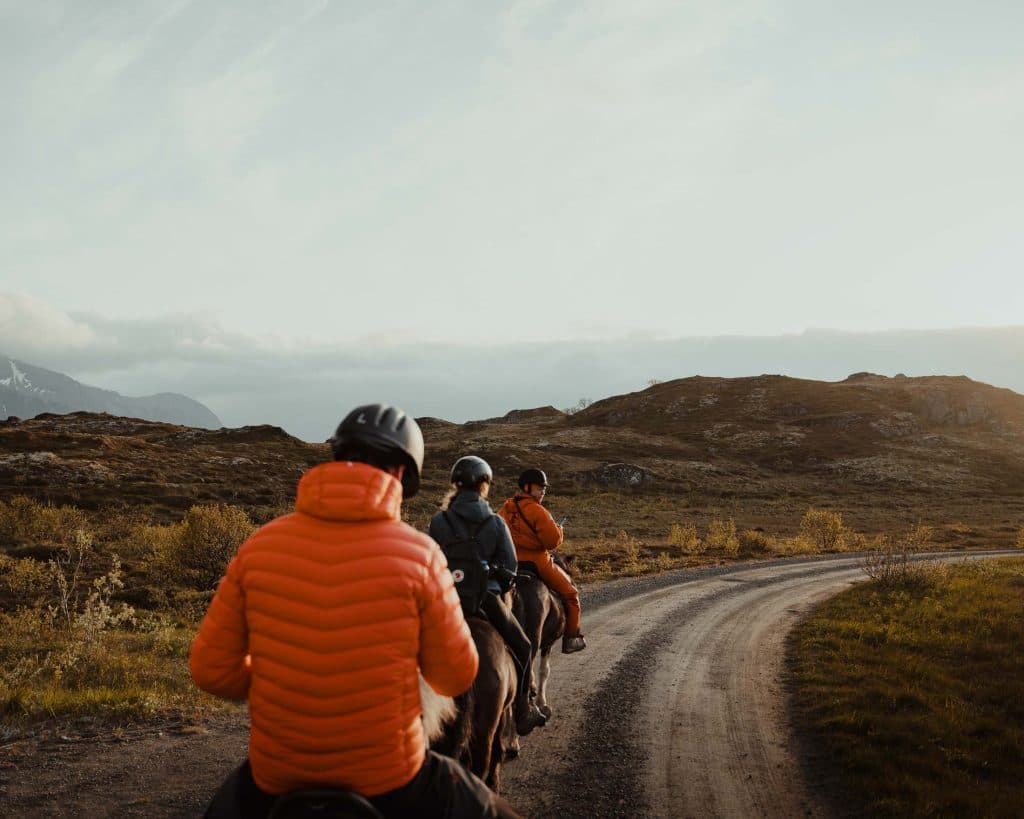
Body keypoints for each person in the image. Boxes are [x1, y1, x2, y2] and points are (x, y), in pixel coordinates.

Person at [190, 404, 522, 819]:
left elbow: (210, 671)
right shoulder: (420, 556)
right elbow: (455, 675)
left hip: (276, 777)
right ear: (402, 475)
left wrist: (287, 675)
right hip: (390, 780)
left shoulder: (258, 547)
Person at [429, 455, 548, 735]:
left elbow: (431, 559)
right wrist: (500, 583)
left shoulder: (439, 521)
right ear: (485, 486)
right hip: (486, 600)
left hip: (448, 603)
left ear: (455, 484)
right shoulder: (495, 523)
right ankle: (523, 709)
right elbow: (510, 566)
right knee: (523, 646)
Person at [499, 468, 586, 654]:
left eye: (544, 489)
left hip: (509, 563)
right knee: (571, 594)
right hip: (537, 562)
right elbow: (551, 541)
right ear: (527, 487)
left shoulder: (505, 509)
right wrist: (559, 530)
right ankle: (572, 637)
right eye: (540, 488)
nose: (543, 492)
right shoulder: (538, 511)